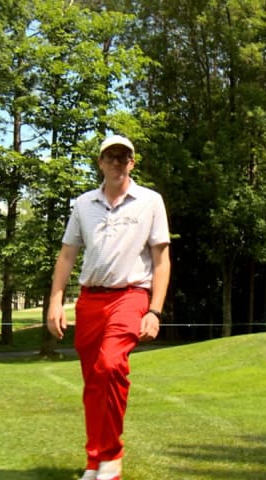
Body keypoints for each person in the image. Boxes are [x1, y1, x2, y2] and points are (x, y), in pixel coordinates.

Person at [47, 134, 171, 480]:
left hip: (130, 296)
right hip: (90, 300)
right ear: (100, 162)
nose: (117, 163)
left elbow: (162, 260)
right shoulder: (83, 203)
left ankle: (111, 459)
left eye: (124, 158)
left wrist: (154, 311)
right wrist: (56, 300)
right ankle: (94, 461)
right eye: (110, 157)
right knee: (93, 382)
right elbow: (67, 254)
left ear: (132, 162)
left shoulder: (150, 201)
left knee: (110, 365)